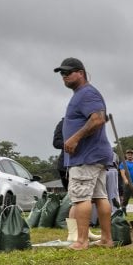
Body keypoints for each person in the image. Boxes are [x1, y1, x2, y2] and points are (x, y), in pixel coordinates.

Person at [54, 57, 114, 249]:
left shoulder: (86, 93)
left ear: (81, 73)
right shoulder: (82, 94)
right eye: (62, 74)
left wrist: (74, 138)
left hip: (86, 156)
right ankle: (106, 239)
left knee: (80, 198)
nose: (64, 76)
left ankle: (81, 241)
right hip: (95, 155)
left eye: (68, 72)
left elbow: (98, 119)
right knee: (99, 197)